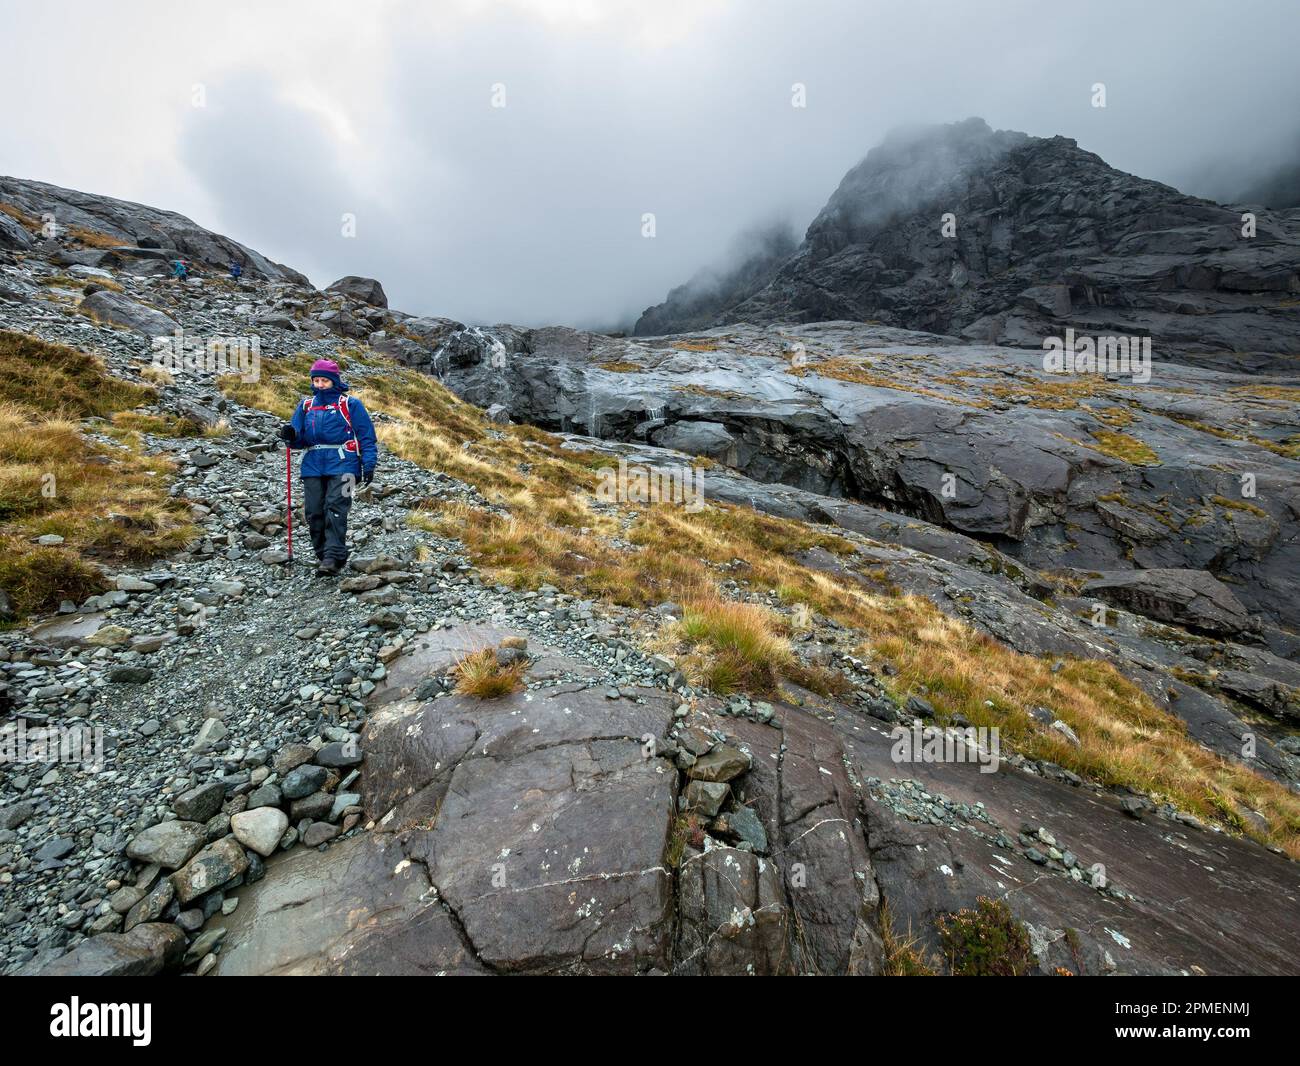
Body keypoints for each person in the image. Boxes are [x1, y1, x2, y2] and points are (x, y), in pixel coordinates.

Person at [276, 359, 378, 575]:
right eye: (316, 380)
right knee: (313, 512)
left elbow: (367, 437)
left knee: (336, 508)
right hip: (312, 465)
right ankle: (324, 555)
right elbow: (298, 439)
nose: (320, 384)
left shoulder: (351, 404)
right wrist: (290, 437)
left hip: (347, 465)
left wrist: (368, 464)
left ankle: (333, 556)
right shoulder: (306, 406)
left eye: (324, 380)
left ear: (334, 381)